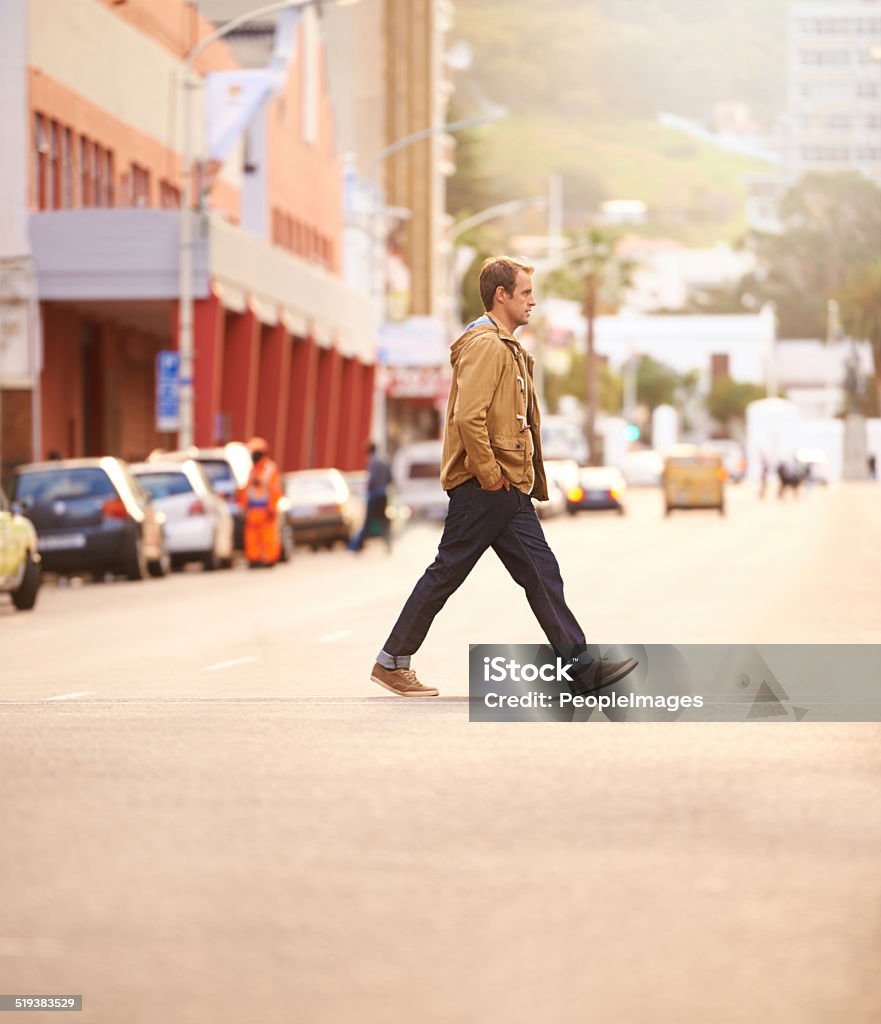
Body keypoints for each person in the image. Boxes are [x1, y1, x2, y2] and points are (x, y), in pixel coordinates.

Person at [368, 256, 638, 698]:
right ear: (502, 295)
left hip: (505, 487)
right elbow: (467, 417)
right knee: (449, 572)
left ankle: (580, 668)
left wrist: (507, 479)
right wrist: (493, 476)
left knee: (540, 573)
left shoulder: (503, 345)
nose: (533, 301)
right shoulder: (487, 345)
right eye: (526, 292)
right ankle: (391, 662)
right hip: (485, 487)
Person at [238, 436, 283, 568]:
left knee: (268, 537)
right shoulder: (253, 470)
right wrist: (243, 505)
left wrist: (272, 508)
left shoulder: (270, 469)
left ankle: (270, 559)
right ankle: (254, 559)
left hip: (265, 510)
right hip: (253, 510)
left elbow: (275, 490)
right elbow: (246, 490)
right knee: (252, 538)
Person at [349, 442, 393, 553]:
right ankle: (388, 544)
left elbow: (372, 479)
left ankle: (357, 546)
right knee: (383, 521)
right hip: (383, 494)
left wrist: (368, 488)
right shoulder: (383, 461)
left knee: (368, 522)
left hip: (374, 495)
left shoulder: (372, 461)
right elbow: (390, 477)